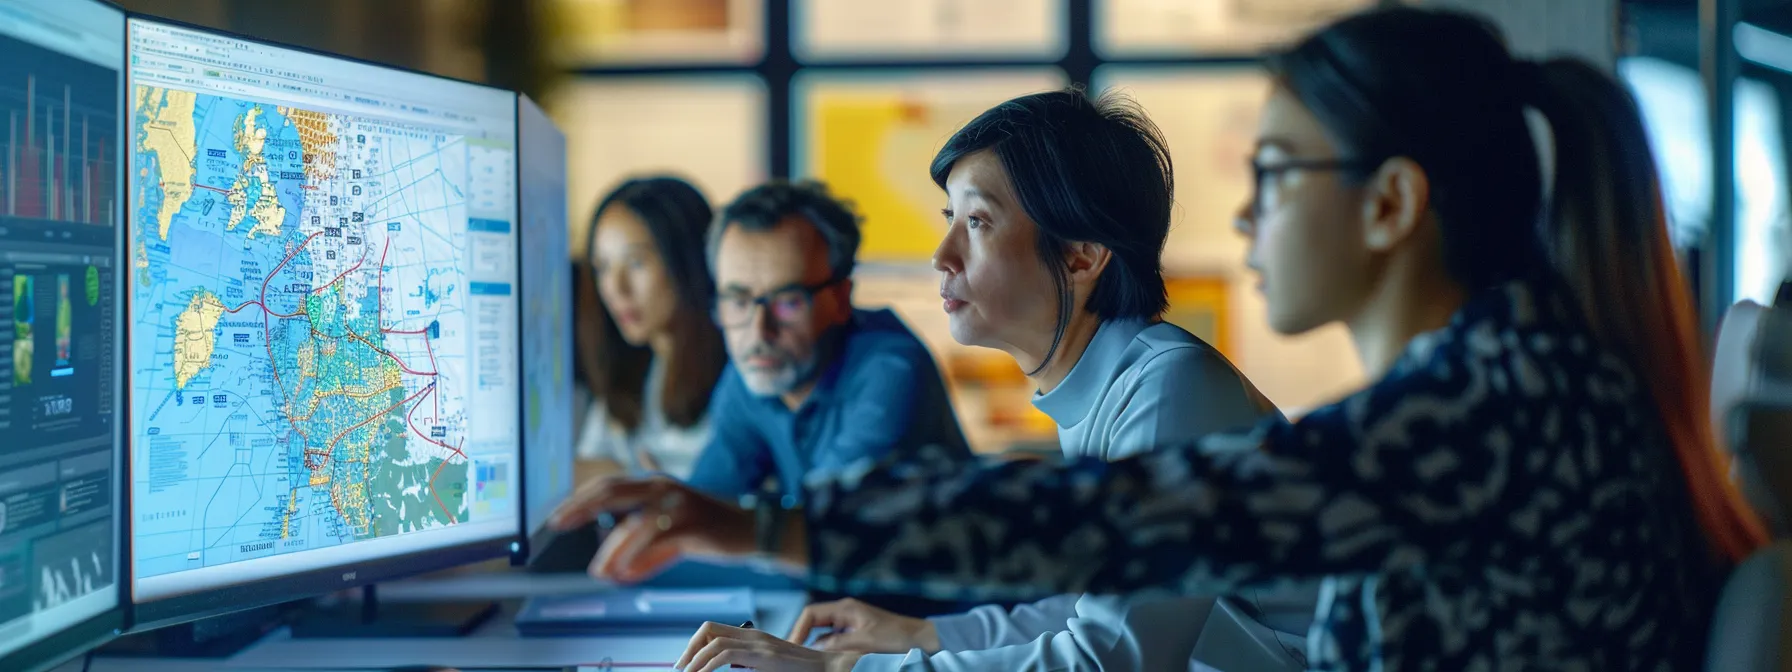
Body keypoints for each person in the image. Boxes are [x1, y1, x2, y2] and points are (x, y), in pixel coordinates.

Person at [552, 7, 1770, 670]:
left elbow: (1112, 594)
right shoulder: (1494, 381)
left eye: (1280, 172)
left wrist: (812, 605)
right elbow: (1097, 561)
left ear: (1391, 204)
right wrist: (916, 635)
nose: (1242, 213)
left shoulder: (1469, 415)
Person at [782, 89, 1293, 671]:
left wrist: (842, 670)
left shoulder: (1172, 388)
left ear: (1081, 255)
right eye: (951, 219)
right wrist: (919, 633)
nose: (942, 256)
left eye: (977, 222)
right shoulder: (1111, 385)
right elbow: (1090, 610)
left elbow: (1107, 660)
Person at [684, 180, 971, 502]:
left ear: (840, 299)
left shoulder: (890, 369)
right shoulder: (755, 369)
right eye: (738, 301)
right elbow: (703, 504)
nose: (759, 331)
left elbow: (821, 519)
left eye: (788, 301)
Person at [574, 177, 727, 480]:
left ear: (687, 261)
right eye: (603, 267)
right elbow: (584, 470)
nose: (616, 288)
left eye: (636, 262)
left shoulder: (739, 375)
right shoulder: (631, 368)